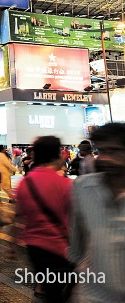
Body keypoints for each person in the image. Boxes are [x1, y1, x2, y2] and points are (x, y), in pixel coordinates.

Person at [69, 123, 125, 302]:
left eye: (114, 150)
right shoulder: (83, 187)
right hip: (92, 295)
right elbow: (76, 240)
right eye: (101, 151)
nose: (105, 158)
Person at [16, 136, 73, 302]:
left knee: (49, 287)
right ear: (56, 155)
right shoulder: (65, 184)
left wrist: (12, 243)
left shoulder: (25, 182)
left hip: (34, 247)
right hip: (59, 246)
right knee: (60, 292)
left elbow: (19, 215)